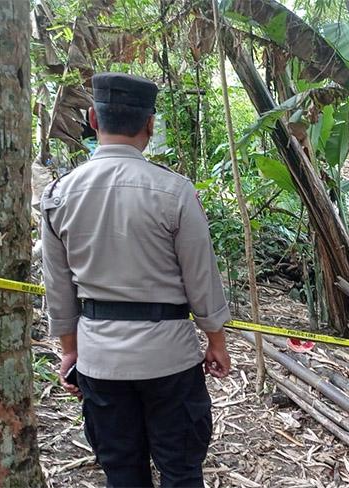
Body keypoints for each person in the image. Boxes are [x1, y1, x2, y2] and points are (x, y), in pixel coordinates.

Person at [41, 72, 232, 488]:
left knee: (123, 474)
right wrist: (216, 341)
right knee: (181, 472)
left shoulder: (58, 195)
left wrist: (70, 351)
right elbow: (201, 276)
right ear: (149, 123)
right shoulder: (174, 191)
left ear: (93, 119)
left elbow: (58, 287)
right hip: (170, 360)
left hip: (100, 360)